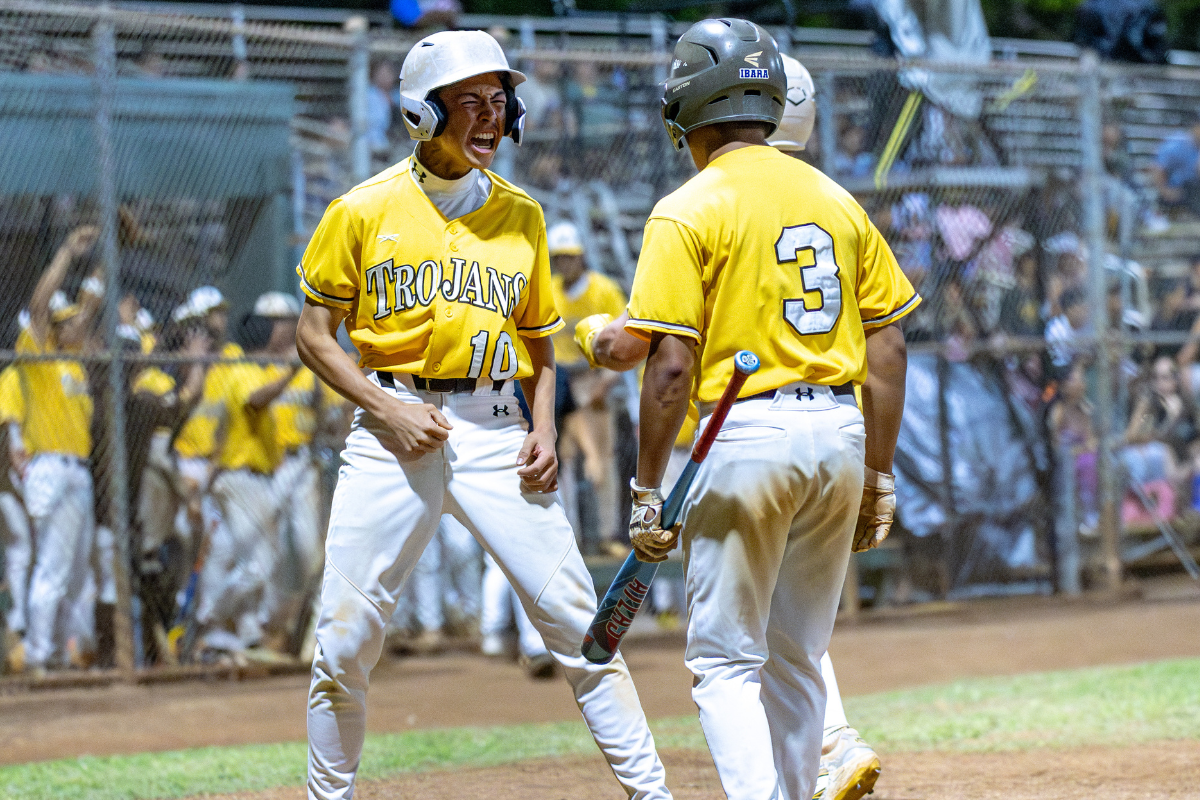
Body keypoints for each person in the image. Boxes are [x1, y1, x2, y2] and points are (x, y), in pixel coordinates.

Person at [295, 30, 670, 800]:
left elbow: (539, 347)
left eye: (499, 101)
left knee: (580, 625)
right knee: (344, 639)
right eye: (469, 102)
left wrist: (540, 429)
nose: (490, 117)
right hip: (391, 425)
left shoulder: (523, 217)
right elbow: (312, 336)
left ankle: (652, 793)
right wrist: (384, 406)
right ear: (420, 113)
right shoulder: (360, 211)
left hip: (499, 427)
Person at [578, 20, 915, 800]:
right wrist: (879, 474)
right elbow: (890, 347)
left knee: (726, 662)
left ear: (688, 106)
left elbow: (670, 366)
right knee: (797, 656)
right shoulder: (836, 198)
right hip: (838, 432)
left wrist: (646, 491)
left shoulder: (688, 207)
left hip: (744, 434)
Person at [16, 226, 102, 675]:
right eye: (65, 320)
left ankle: (65, 656)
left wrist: (108, 256)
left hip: (78, 472)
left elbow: (91, 304)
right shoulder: (40, 354)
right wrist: (67, 252)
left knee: (75, 575)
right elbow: (38, 304)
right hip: (49, 467)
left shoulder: (75, 361)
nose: (75, 323)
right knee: (51, 568)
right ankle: (37, 658)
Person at [193, 312, 296, 656]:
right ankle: (211, 615)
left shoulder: (249, 369)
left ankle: (246, 632)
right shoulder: (243, 371)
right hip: (241, 478)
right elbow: (256, 400)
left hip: (249, 477)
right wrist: (292, 372)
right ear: (266, 338)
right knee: (260, 565)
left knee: (257, 559)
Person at [548, 220, 628, 551]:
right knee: (560, 458)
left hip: (592, 376)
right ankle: (570, 533)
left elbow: (626, 337)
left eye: (570, 256)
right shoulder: (549, 289)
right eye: (559, 257)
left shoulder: (603, 289)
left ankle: (607, 534)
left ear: (581, 256)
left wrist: (607, 382)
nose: (564, 263)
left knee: (600, 459)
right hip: (559, 379)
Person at [1152, 111, 1200, 218]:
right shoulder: (1177, 144)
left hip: (1194, 192)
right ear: (1195, 126)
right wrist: (1165, 191)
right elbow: (1157, 168)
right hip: (1176, 192)